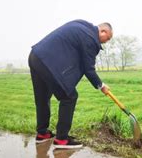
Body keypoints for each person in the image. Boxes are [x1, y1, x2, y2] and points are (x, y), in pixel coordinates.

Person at [28, 20, 113, 149]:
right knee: (69, 96)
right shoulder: (90, 38)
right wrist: (101, 86)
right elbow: (88, 69)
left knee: (42, 97)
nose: (105, 42)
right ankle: (62, 139)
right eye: (107, 39)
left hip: (36, 57)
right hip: (48, 63)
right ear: (103, 31)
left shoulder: (81, 26)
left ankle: (42, 134)